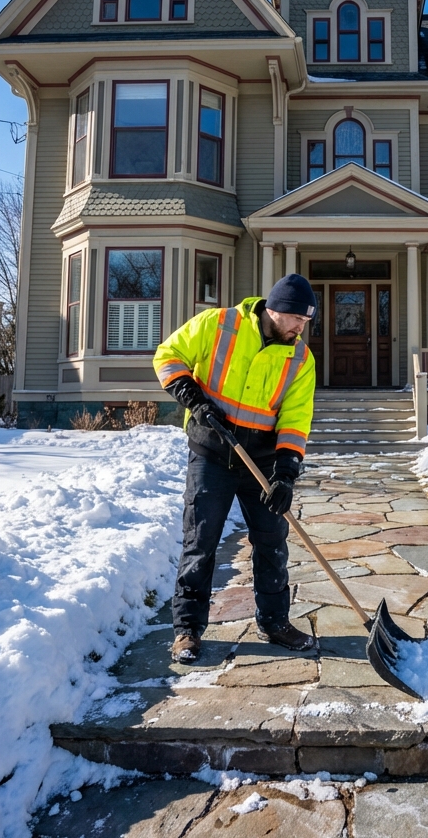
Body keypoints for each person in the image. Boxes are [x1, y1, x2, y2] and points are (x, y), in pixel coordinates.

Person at [153, 273, 318, 663]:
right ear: (276, 310)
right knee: (201, 541)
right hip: (211, 452)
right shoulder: (218, 324)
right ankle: (187, 631)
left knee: (271, 542)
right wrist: (195, 399)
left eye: (306, 323)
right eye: (297, 319)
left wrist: (285, 474)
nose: (300, 328)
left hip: (259, 460)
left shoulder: (300, 358)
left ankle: (275, 622)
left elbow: (295, 420)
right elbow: (168, 356)